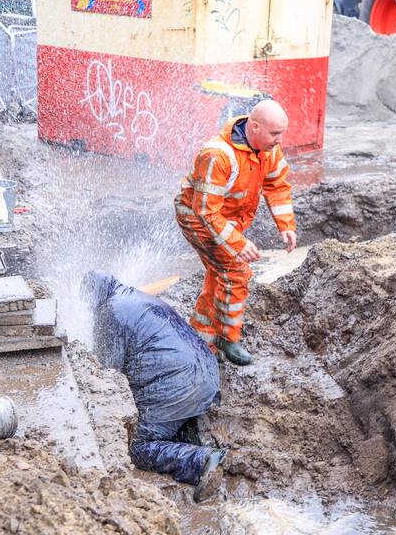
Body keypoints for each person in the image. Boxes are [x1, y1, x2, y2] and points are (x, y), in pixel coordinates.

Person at [81, 270, 227, 503]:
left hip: (179, 386)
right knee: (158, 409)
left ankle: (201, 461)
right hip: (208, 376)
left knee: (138, 446)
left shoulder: (109, 312)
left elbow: (107, 374)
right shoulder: (137, 296)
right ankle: (186, 432)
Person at [174, 100, 296, 366]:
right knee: (236, 271)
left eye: (281, 133)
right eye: (275, 134)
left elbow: (277, 185)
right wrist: (237, 243)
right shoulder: (217, 155)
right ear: (254, 127)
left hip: (225, 218)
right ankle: (228, 339)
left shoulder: (267, 150)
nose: (280, 140)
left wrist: (286, 225)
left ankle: (202, 335)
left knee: (220, 272)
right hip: (197, 217)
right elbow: (206, 212)